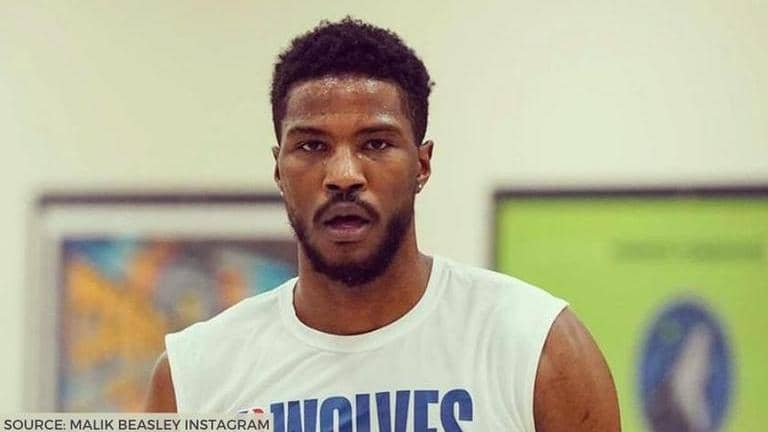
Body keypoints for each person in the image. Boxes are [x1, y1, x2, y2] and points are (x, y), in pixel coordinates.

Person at [145, 17, 620, 431]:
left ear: (422, 164)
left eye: (375, 143)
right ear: (279, 170)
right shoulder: (194, 377)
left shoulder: (535, 347)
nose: (343, 175)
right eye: (312, 146)